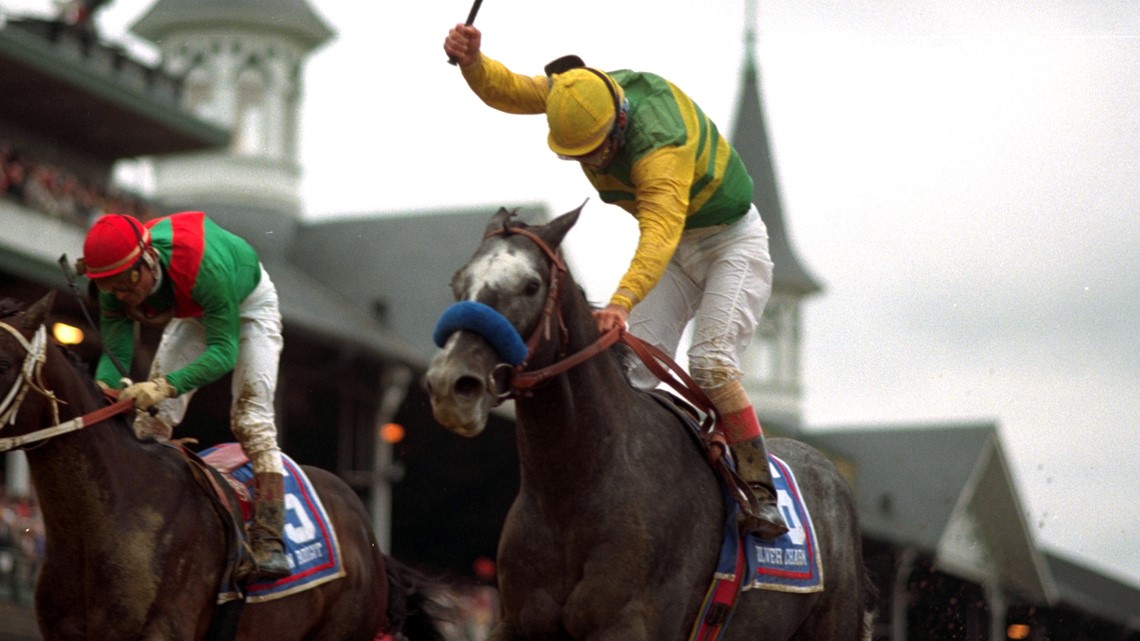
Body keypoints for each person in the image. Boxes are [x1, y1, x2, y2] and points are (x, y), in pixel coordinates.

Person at [443, 26, 788, 539]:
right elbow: (513, 90)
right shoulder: (577, 93)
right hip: (675, 249)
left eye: (598, 151)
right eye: (576, 154)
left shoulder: (660, 147)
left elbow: (660, 232)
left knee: (710, 363)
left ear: (620, 123)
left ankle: (761, 493)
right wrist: (474, 62)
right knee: (628, 375)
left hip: (730, 245)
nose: (592, 161)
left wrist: (622, 301)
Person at [78, 211, 291, 579]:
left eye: (128, 283)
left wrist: (162, 386)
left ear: (147, 258)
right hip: (193, 310)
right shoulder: (114, 284)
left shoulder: (200, 266)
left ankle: (270, 539)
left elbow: (224, 351)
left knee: (250, 420)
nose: (124, 296)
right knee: (149, 423)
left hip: (248, 304)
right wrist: (102, 393)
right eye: (111, 289)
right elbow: (116, 361)